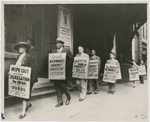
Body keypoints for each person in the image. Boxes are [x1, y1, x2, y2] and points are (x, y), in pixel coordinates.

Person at [11, 42, 37, 119]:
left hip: (27, 79)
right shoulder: (18, 56)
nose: (19, 49)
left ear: (25, 48)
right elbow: (15, 67)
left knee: (24, 94)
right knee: (22, 93)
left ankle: (23, 112)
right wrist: (11, 72)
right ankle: (28, 105)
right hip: (20, 78)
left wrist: (33, 81)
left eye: (21, 47)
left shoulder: (29, 57)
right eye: (19, 48)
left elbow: (33, 69)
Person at [51, 38, 73, 107]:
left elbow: (71, 59)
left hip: (64, 72)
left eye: (59, 43)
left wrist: (66, 67)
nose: (57, 44)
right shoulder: (53, 51)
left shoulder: (66, 50)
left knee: (64, 85)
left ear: (62, 44)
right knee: (57, 86)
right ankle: (60, 101)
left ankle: (68, 97)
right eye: (56, 43)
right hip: (55, 72)